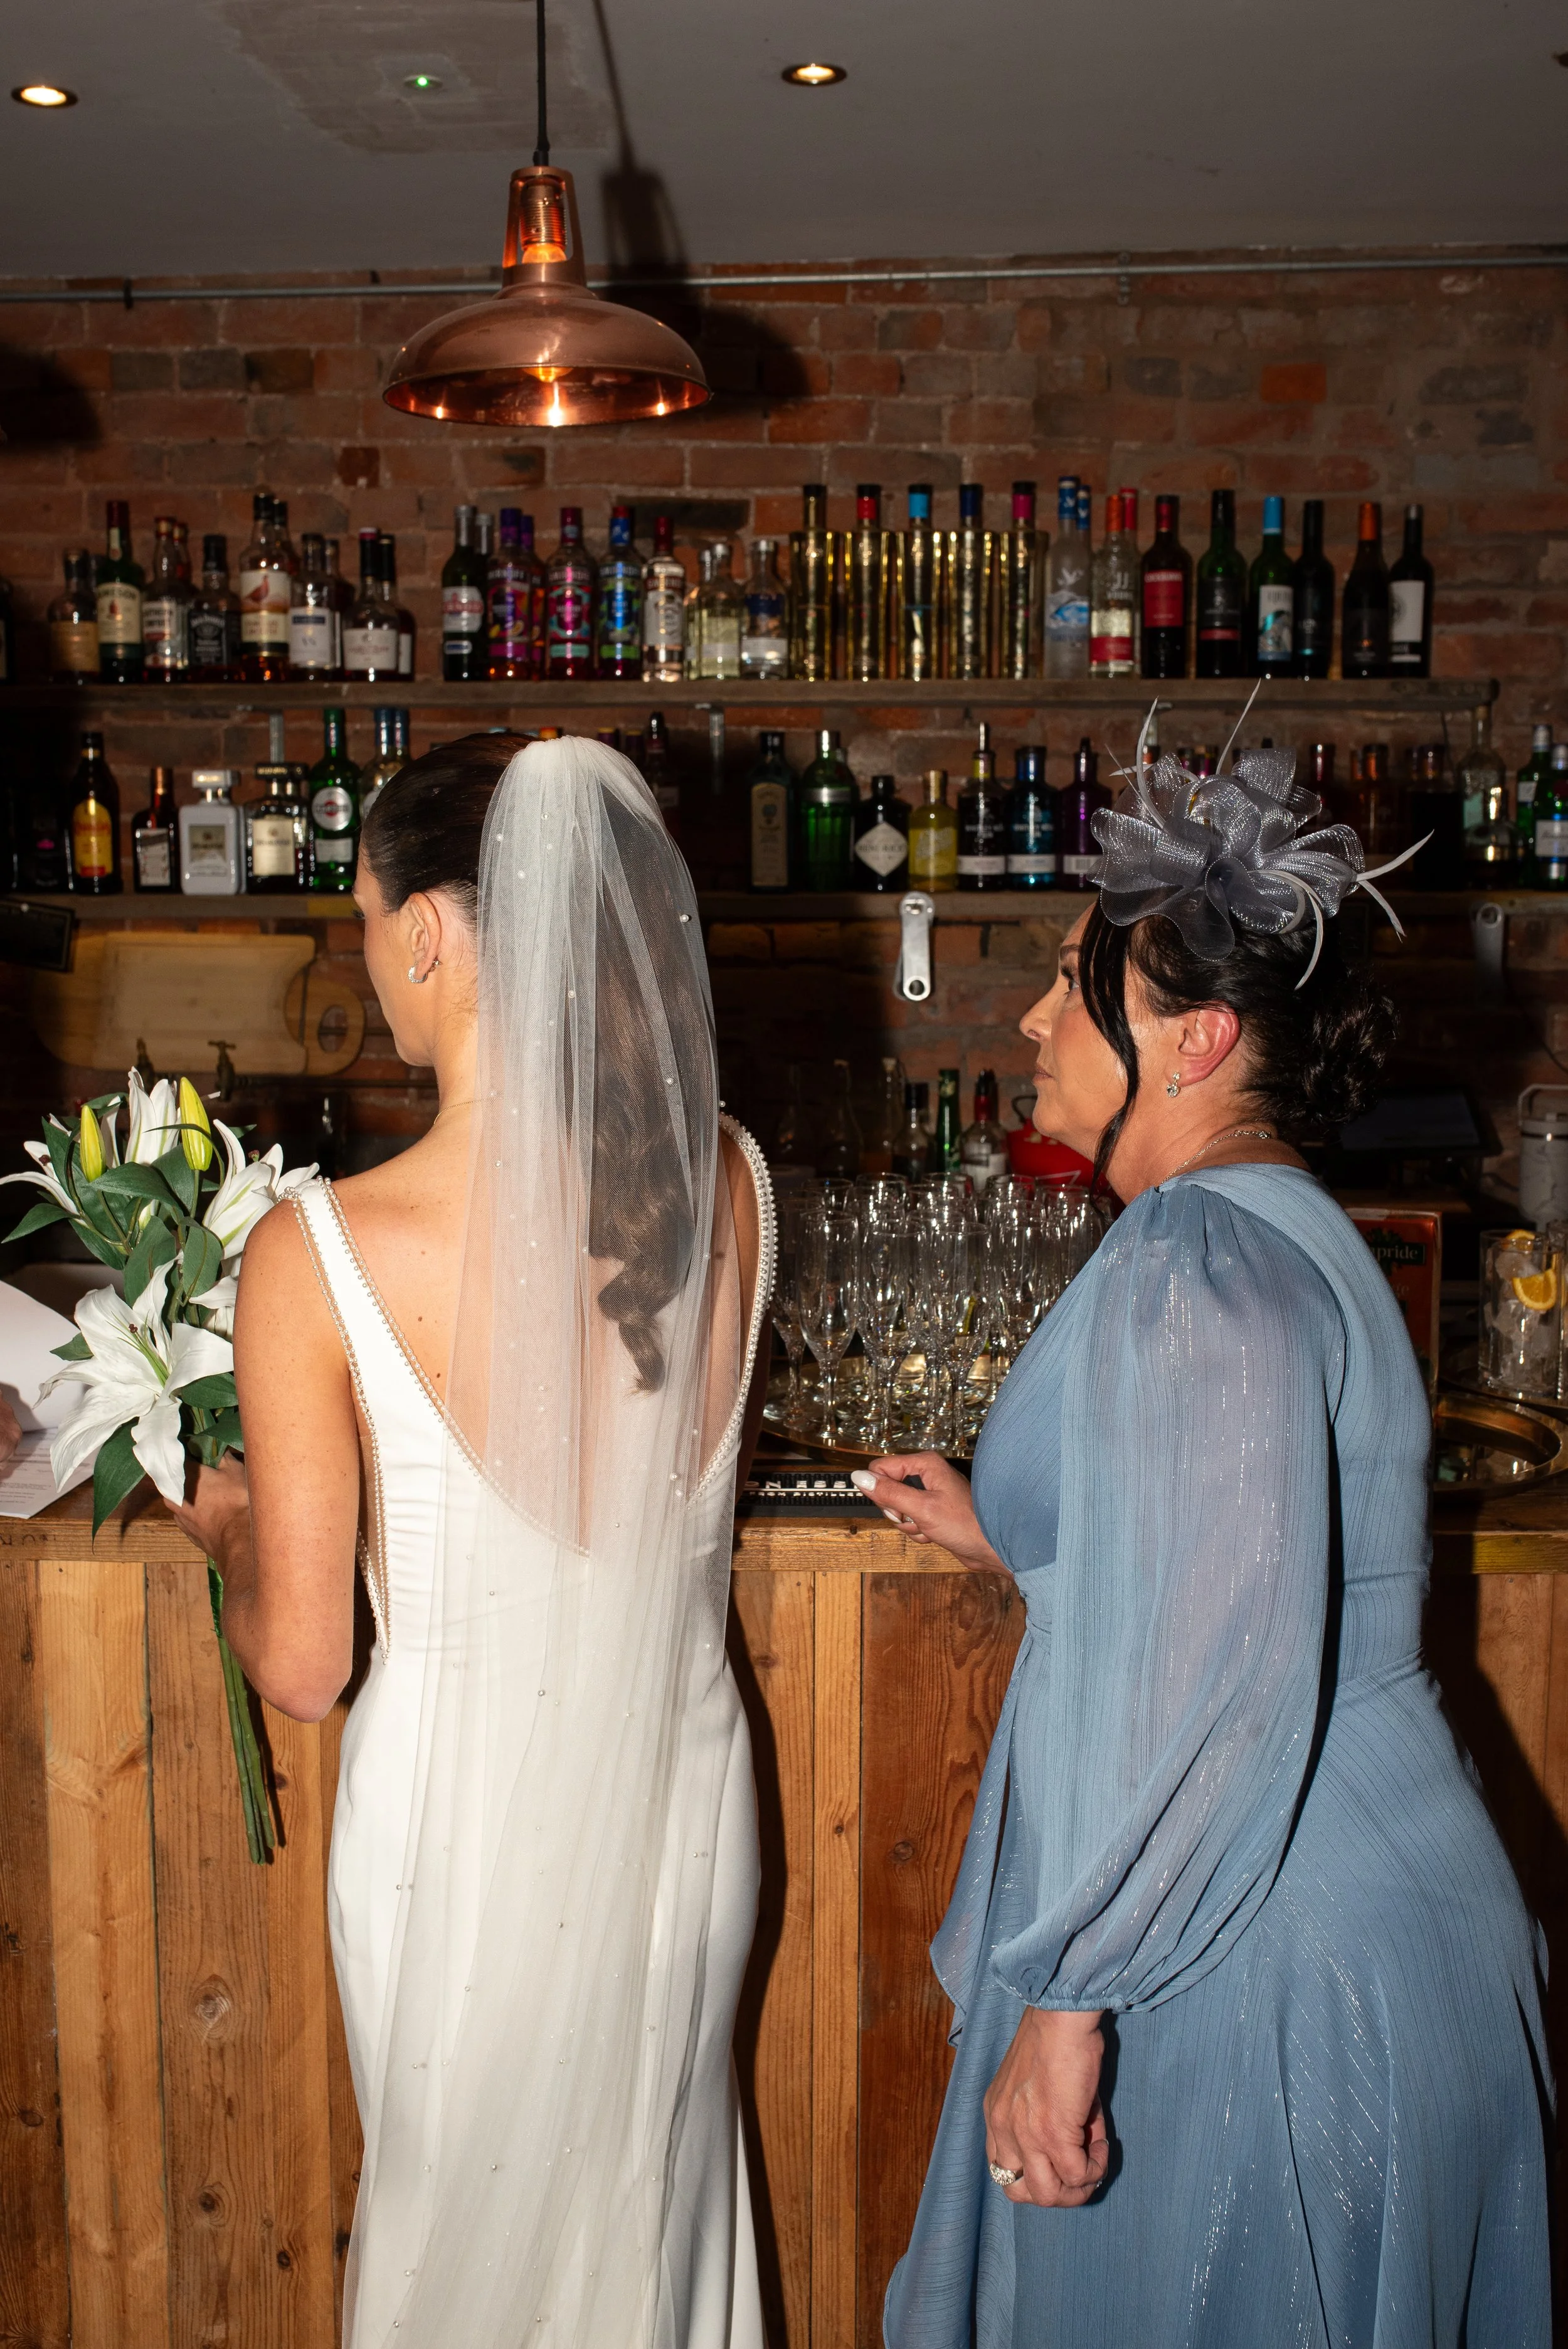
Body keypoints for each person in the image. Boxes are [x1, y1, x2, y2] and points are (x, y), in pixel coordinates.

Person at [862, 746, 1552, 2346]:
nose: (1032, 1022)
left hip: (1260, 1959)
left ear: (1196, 1038)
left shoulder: (1187, 1256)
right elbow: (1252, 1564)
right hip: (1371, 1917)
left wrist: (1071, 2004)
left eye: (1065, 985)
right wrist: (1030, 1541)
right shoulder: (1299, 1224)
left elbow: (1214, 1693)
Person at [170, 733, 775, 2349]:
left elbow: (302, 1666)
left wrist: (227, 1524)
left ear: (427, 931)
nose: (366, 957)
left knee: (465, 2267)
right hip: (682, 1824)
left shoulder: (320, 1252)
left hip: (459, 1837)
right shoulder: (725, 1185)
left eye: (362, 918)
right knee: (656, 2234)